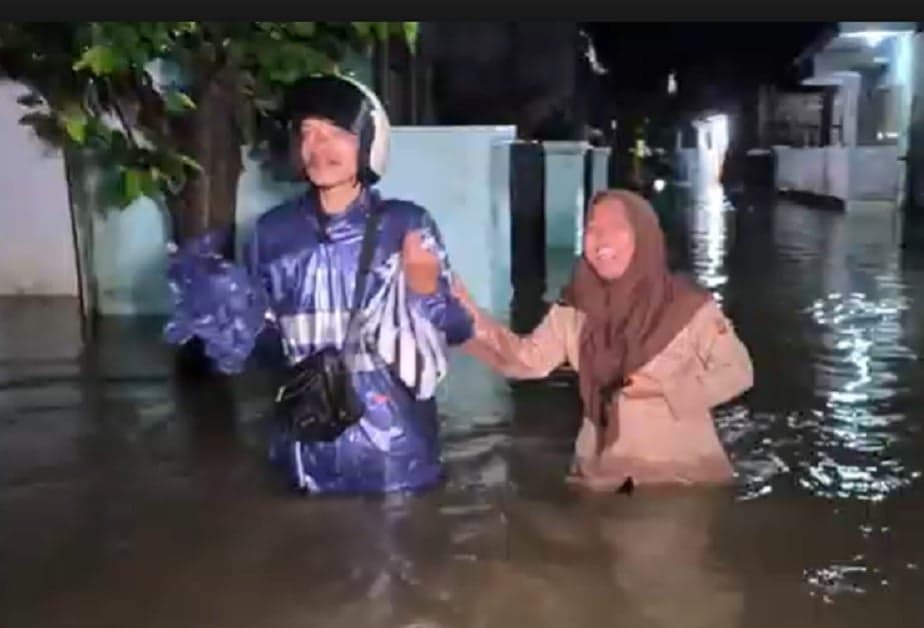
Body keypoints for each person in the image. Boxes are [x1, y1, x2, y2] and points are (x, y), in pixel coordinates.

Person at [164, 75, 473, 495]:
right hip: (306, 450)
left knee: (398, 553)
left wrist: (423, 288)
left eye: (335, 134)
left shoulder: (406, 224)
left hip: (396, 455)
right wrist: (228, 320)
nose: (319, 147)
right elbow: (269, 350)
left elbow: (456, 329)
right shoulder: (272, 232)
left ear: (366, 143)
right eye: (308, 132)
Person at [455, 189, 753, 492]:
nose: (602, 240)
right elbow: (526, 361)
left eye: (618, 228)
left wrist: (668, 389)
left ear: (644, 237)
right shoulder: (575, 309)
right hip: (601, 472)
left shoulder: (689, 306)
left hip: (675, 476)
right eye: (593, 229)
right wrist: (471, 316)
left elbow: (738, 372)